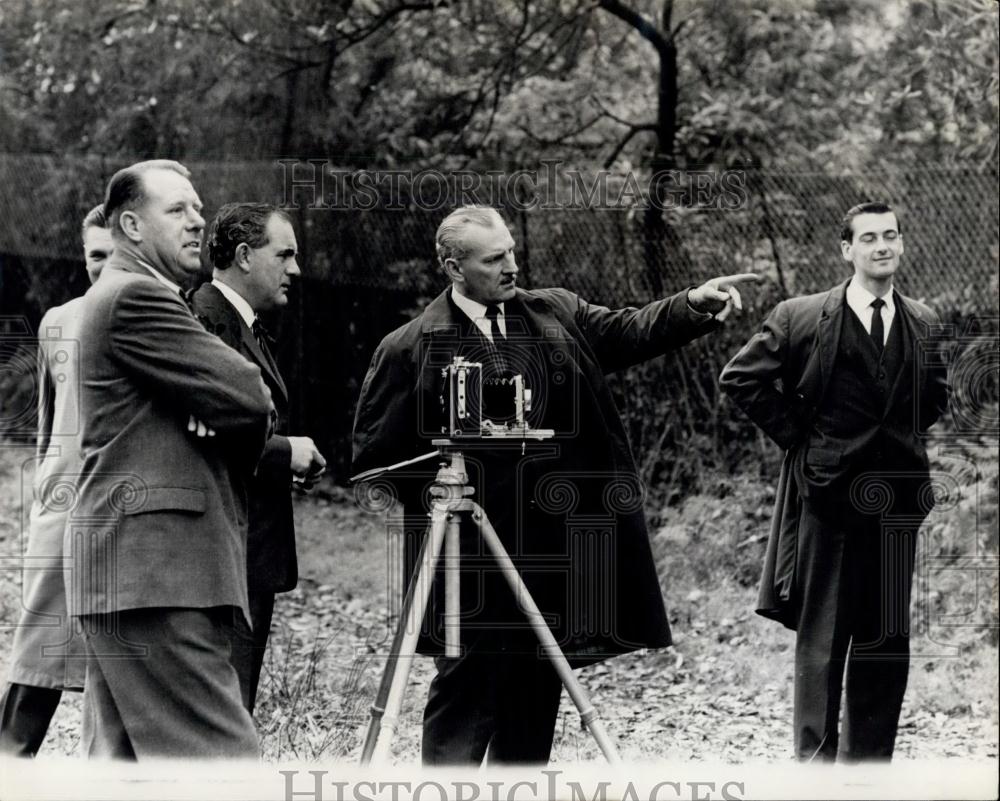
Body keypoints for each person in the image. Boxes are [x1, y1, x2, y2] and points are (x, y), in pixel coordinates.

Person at [352, 205, 758, 766]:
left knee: (535, 696)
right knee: (465, 692)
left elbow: (629, 329)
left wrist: (693, 304)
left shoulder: (555, 313)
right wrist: (450, 478)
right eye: (495, 260)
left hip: (550, 552)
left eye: (512, 251)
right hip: (466, 560)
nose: (512, 266)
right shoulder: (408, 347)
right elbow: (375, 461)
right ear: (453, 266)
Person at [719, 201, 949, 761]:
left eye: (891, 236)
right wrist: (801, 437)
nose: (882, 247)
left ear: (901, 244)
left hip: (895, 507)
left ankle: (868, 771)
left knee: (886, 643)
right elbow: (741, 377)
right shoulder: (802, 316)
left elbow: (932, 399)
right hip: (828, 500)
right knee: (823, 643)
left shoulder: (922, 320)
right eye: (868, 238)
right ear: (847, 250)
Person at [69, 160, 274, 759]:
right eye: (177, 210)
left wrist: (215, 407)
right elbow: (250, 397)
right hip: (157, 574)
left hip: (132, 573)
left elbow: (234, 402)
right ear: (131, 225)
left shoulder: (134, 295)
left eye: (198, 208)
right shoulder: (136, 296)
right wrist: (221, 411)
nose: (198, 221)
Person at [191, 202, 326, 714]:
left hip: (246, 550)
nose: (295, 268)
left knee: (233, 710)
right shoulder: (206, 320)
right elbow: (204, 438)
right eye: (285, 254)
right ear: (245, 256)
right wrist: (286, 453)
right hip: (225, 554)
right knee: (223, 717)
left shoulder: (240, 322)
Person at [0, 205, 112, 757]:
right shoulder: (58, 321)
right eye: (96, 255)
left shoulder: (169, 318)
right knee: (35, 660)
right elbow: (49, 428)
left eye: (115, 254)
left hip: (126, 520)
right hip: (65, 514)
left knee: (120, 678)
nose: (105, 266)